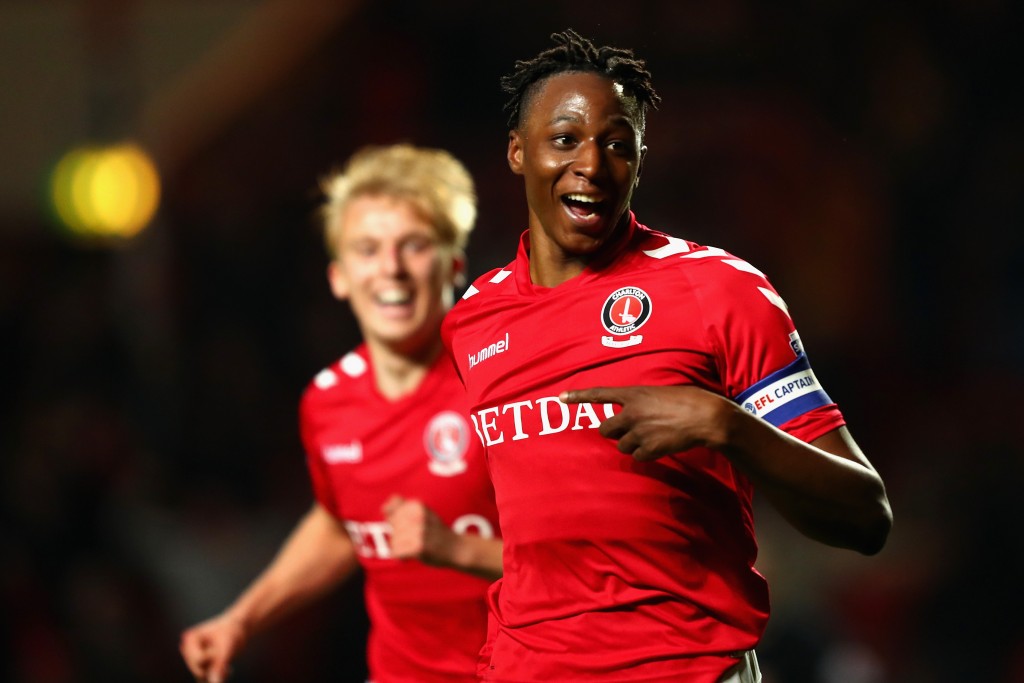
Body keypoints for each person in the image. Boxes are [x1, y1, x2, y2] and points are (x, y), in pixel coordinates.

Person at [441, 29, 892, 683]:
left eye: (617, 143)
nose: (591, 164)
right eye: (564, 139)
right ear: (517, 151)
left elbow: (866, 515)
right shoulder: (472, 322)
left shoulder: (720, 291)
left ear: (640, 159)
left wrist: (725, 424)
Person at [180, 144, 503, 683]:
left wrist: (457, 548)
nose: (391, 269)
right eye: (367, 250)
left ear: (454, 265)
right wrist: (242, 619)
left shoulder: (503, 380)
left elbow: (580, 556)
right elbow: (338, 525)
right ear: (339, 277)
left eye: (414, 245)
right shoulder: (327, 402)